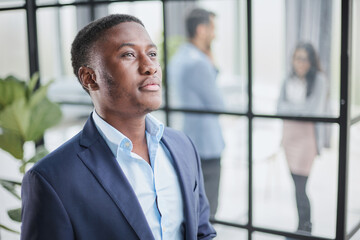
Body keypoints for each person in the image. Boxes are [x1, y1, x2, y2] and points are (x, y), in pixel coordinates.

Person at [20, 14, 216, 240]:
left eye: (152, 54)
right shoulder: (52, 179)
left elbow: (202, 233)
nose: (150, 67)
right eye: (129, 55)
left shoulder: (183, 146)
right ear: (90, 78)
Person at [168, 8, 225, 218]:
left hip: (187, 141)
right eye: (213, 29)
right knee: (208, 211)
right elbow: (219, 105)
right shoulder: (199, 63)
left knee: (192, 207)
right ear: (201, 30)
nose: (215, 35)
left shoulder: (179, 57)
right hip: (206, 147)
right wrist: (212, 65)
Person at [277, 42, 329, 236]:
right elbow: (278, 108)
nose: (301, 63)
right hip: (289, 137)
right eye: (297, 58)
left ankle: (306, 228)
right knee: (295, 185)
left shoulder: (319, 80)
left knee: (301, 186)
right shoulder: (287, 79)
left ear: (311, 62)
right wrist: (297, 111)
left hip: (306, 139)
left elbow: (312, 111)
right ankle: (301, 226)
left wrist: (291, 110)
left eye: (305, 59)